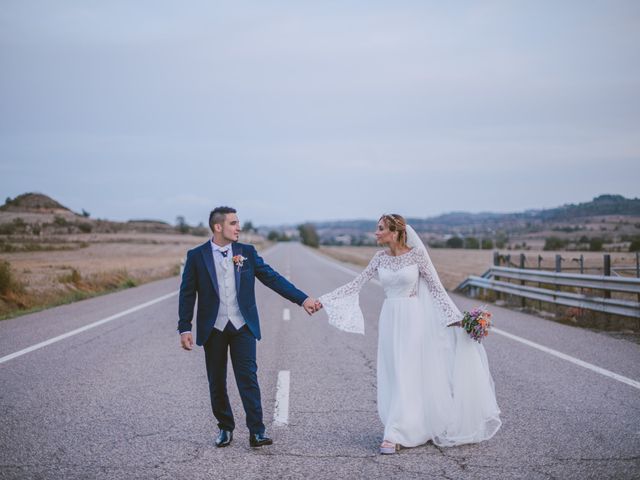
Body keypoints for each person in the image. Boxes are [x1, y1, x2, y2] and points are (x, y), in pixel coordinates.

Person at [318, 214, 501, 454]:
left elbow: (436, 289)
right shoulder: (379, 258)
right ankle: (413, 424)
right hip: (390, 318)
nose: (376, 233)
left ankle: (395, 432)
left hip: (413, 319)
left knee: (408, 371)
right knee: (394, 372)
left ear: (394, 233)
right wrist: (323, 301)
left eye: (380, 228)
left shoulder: (417, 256)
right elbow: (356, 284)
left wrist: (461, 320)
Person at [178, 206, 320, 448]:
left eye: (238, 223)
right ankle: (225, 428)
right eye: (233, 223)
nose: (238, 227)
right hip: (214, 328)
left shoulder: (247, 252)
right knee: (217, 381)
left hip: (243, 326)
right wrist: (185, 327)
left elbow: (272, 278)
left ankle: (257, 431)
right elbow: (187, 294)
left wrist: (302, 299)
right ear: (218, 227)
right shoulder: (196, 256)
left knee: (248, 379)